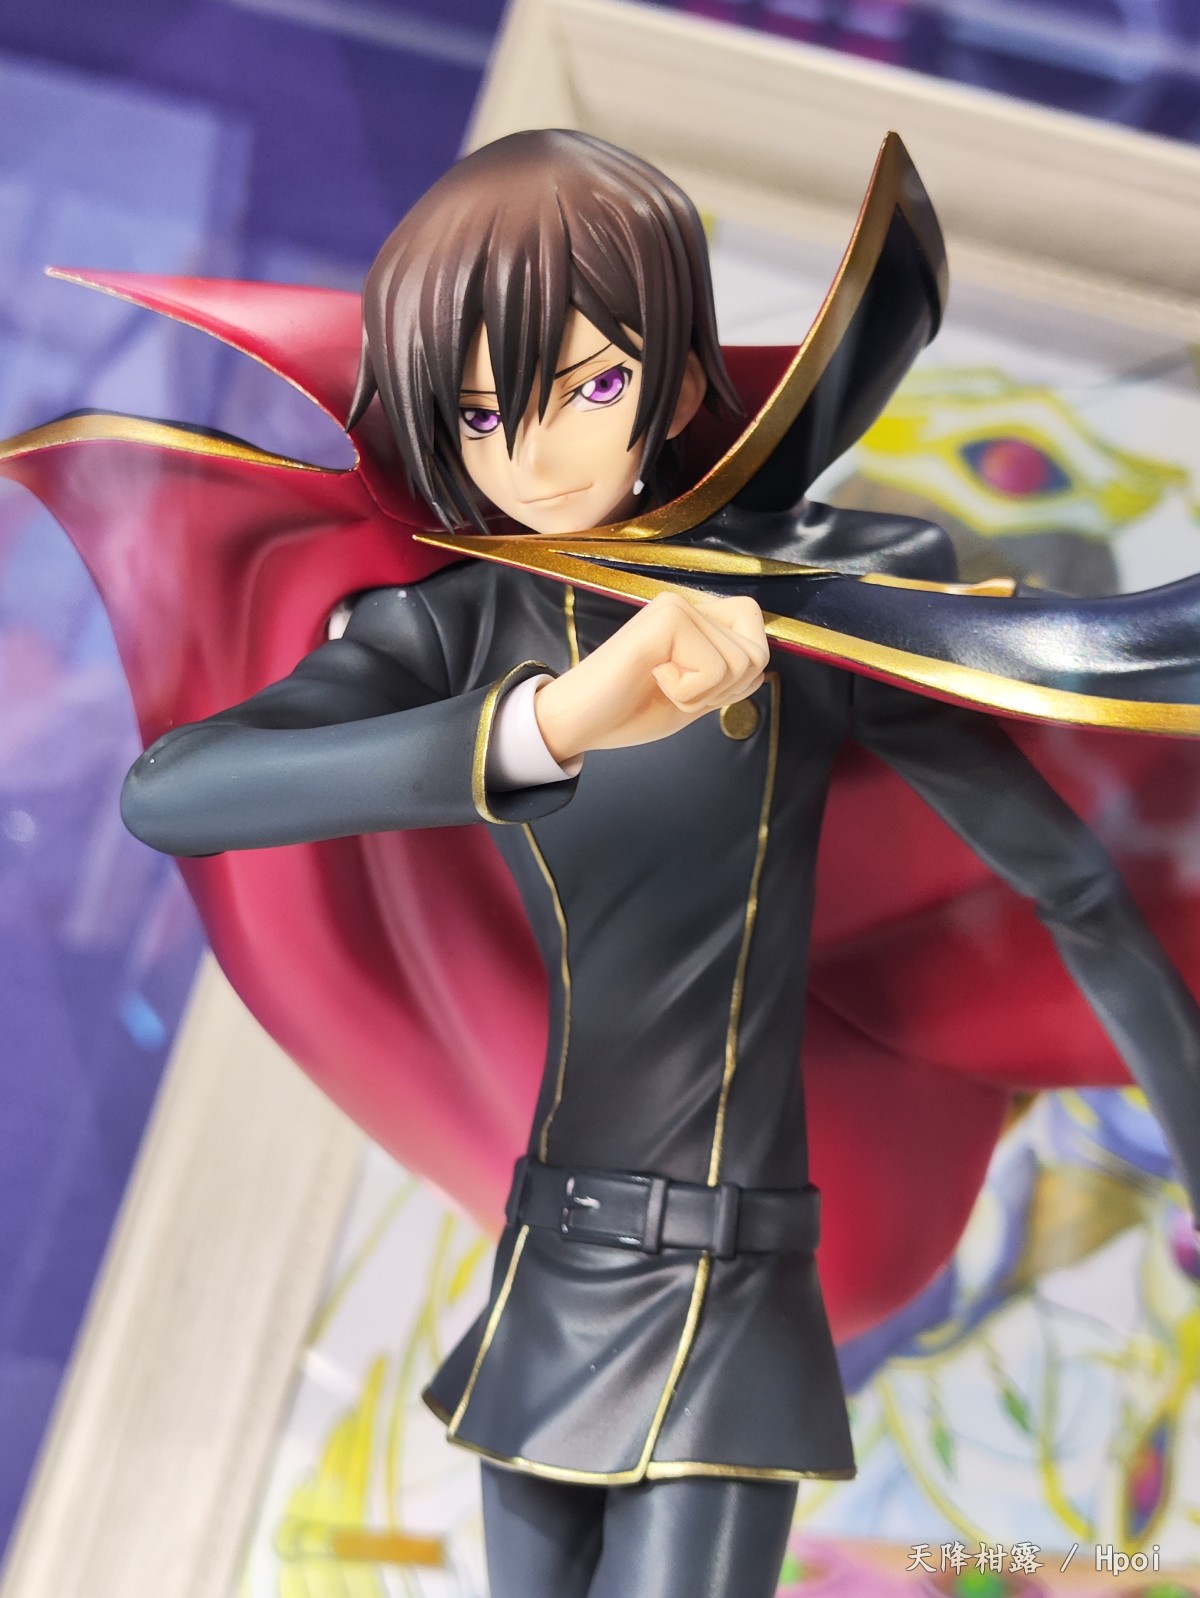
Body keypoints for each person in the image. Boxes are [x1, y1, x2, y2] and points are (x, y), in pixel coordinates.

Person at [26, 130, 1200, 1598]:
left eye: (587, 387)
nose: (534, 456)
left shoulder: (791, 624)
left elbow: (1074, 884)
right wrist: (552, 721)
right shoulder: (455, 625)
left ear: (679, 385)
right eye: (480, 412)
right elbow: (175, 793)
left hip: (735, 1276)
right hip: (554, 1259)